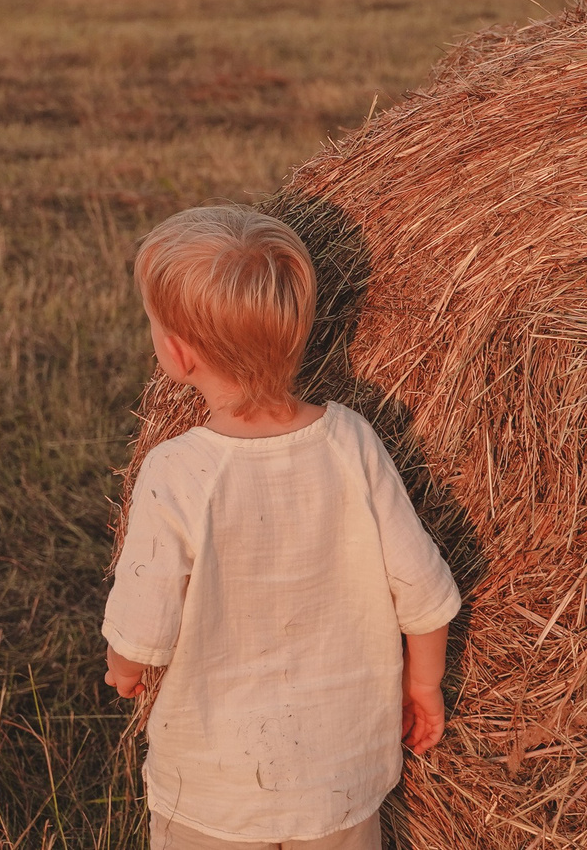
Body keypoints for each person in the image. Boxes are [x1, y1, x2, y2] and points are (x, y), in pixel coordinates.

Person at [103, 205, 460, 850]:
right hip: (341, 782)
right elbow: (423, 590)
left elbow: (144, 616)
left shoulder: (177, 471)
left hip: (216, 792)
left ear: (177, 354)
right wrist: (423, 684)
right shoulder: (352, 441)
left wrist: (124, 666)